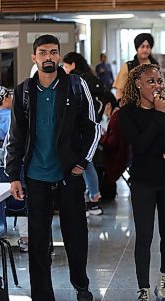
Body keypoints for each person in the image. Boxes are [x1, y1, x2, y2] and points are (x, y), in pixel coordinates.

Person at [5, 34, 100, 301]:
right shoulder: (24, 91)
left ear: (59, 56)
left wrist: (82, 163)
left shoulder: (75, 85)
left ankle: (81, 286)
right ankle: (42, 295)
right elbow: (15, 136)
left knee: (76, 236)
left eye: (54, 52)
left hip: (69, 175)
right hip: (36, 177)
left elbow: (93, 128)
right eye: (43, 52)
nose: (49, 57)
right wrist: (14, 175)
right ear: (34, 57)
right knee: (38, 241)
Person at [118, 63, 165, 301]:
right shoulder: (127, 113)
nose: (157, 86)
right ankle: (143, 288)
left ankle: (164, 280)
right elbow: (139, 146)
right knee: (144, 236)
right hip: (143, 181)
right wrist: (158, 115)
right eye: (151, 81)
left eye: (160, 81)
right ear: (138, 84)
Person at [63, 51, 107, 216]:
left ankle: (94, 199)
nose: (64, 69)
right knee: (87, 164)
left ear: (73, 65)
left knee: (86, 163)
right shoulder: (92, 79)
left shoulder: (80, 82)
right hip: (91, 126)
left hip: (84, 130)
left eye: (65, 66)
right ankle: (92, 199)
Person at [98, 92, 130, 200]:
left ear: (108, 105)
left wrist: (101, 138)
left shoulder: (115, 118)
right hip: (122, 155)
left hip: (116, 157)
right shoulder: (118, 116)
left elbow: (112, 143)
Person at [113, 33, 159, 101]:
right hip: (132, 106)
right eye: (142, 46)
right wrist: (122, 106)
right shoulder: (128, 66)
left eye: (148, 47)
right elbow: (119, 90)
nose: (145, 50)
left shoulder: (155, 66)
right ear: (137, 48)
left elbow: (161, 87)